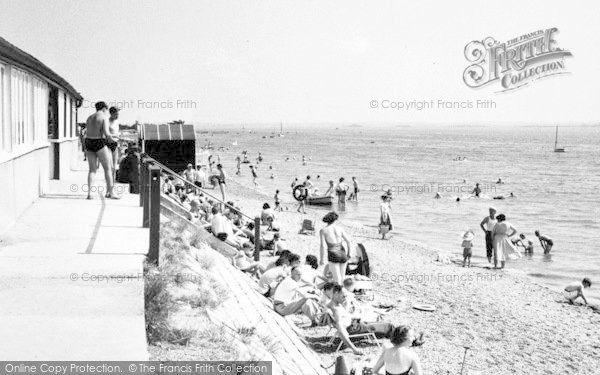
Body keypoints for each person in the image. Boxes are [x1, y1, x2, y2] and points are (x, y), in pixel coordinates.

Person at [328, 285, 394, 355]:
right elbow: (342, 332)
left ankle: (397, 339)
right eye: (343, 296)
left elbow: (344, 317)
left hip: (355, 324)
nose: (345, 298)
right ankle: (400, 341)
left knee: (379, 320)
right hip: (354, 328)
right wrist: (354, 349)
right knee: (388, 327)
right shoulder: (335, 310)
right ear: (336, 294)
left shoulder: (334, 304)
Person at [84, 101, 118, 199]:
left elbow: (87, 132)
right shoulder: (104, 117)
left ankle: (90, 194)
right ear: (104, 108)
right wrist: (114, 139)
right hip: (99, 142)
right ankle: (111, 193)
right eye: (106, 110)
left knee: (92, 170)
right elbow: (107, 134)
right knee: (108, 169)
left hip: (89, 142)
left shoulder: (89, 118)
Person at [319, 211, 352, 285]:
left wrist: (321, 259)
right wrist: (349, 254)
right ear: (335, 220)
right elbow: (348, 242)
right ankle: (342, 292)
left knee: (337, 278)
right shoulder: (340, 229)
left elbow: (322, 246)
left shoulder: (323, 230)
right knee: (342, 277)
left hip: (333, 253)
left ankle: (338, 293)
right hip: (342, 252)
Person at [106, 107, 120, 184]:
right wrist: (113, 136)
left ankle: (112, 187)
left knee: (114, 167)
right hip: (108, 145)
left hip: (115, 144)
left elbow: (116, 132)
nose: (118, 115)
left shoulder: (117, 121)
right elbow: (105, 134)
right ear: (112, 113)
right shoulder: (107, 122)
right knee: (109, 167)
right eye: (117, 113)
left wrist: (118, 136)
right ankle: (109, 187)